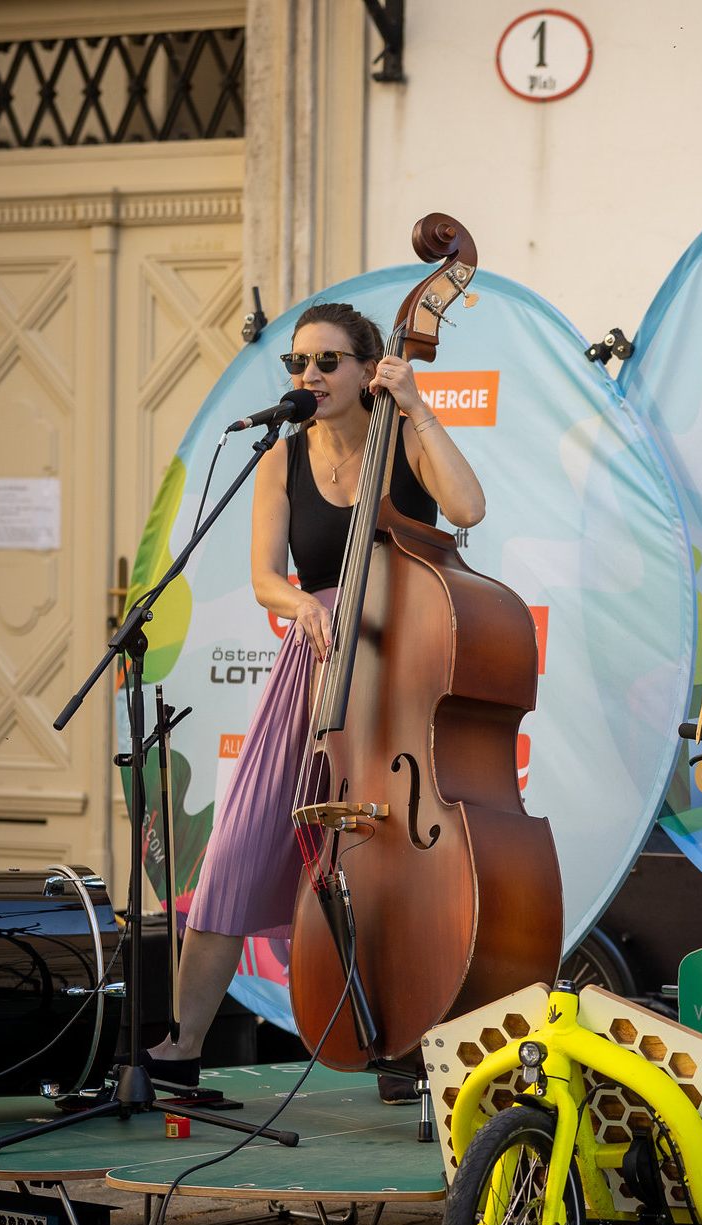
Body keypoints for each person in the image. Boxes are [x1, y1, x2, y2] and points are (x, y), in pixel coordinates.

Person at [145, 301, 486, 1095]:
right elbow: (268, 573)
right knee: (237, 845)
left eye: (329, 361)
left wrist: (420, 407)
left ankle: (408, 1041)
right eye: (300, 363)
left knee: (397, 856)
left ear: (371, 368)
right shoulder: (283, 458)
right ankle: (183, 1044)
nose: (311, 376)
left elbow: (467, 511)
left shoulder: (404, 435)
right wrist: (297, 604)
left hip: (400, 656)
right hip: (319, 655)